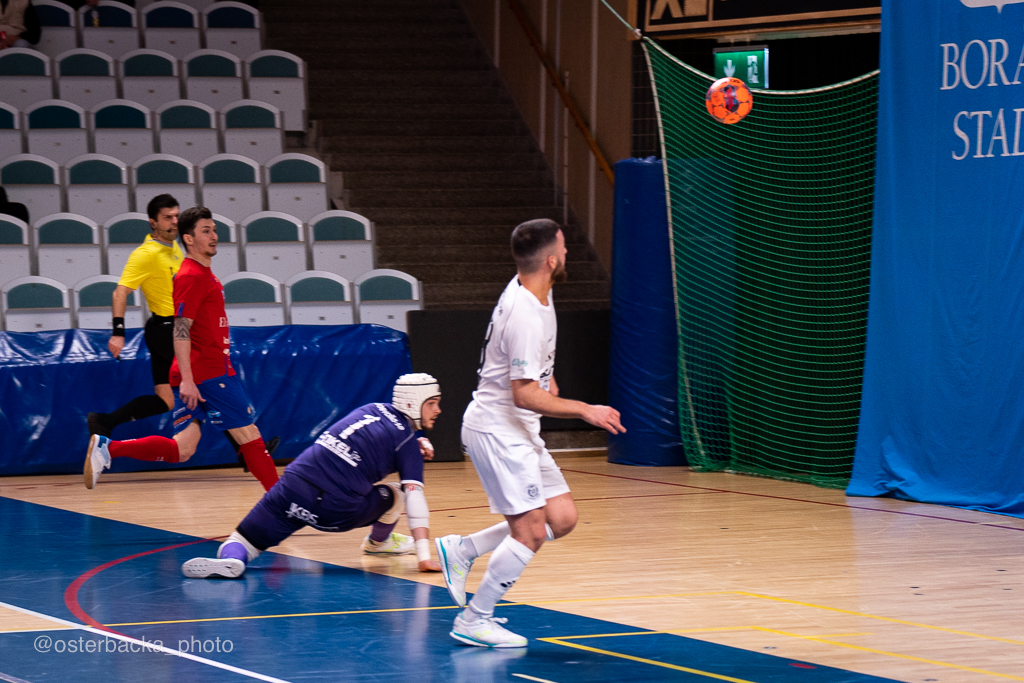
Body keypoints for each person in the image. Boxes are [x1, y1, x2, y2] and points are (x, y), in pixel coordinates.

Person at [434, 218, 625, 648]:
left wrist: (546, 374)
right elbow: (523, 394)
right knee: (531, 531)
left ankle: (463, 549)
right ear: (552, 260)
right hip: (498, 430)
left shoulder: (535, 287)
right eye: (564, 248)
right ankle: (474, 619)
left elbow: (524, 364)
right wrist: (585, 409)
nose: (568, 253)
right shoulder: (525, 314)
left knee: (562, 518)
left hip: (517, 429)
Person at [84, 207, 279, 491]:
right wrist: (188, 379)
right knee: (249, 436)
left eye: (214, 230)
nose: (214, 236)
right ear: (188, 239)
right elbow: (181, 328)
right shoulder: (191, 275)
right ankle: (283, 505)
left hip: (200, 370)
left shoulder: (203, 273)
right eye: (205, 231)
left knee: (183, 448)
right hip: (208, 372)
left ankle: (108, 448)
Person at [180, 374, 445, 579]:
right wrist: (424, 556)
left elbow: (372, 444)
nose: (438, 410)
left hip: (292, 487)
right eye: (432, 403)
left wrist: (411, 447)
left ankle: (232, 560)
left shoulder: (370, 409)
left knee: (243, 540)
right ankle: (378, 543)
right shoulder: (406, 442)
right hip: (334, 509)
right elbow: (415, 499)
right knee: (398, 493)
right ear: (413, 403)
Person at [87, 194, 183, 442]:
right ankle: (246, 446)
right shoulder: (145, 254)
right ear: (153, 223)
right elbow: (119, 293)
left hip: (166, 328)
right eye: (168, 217)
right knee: (206, 382)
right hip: (167, 330)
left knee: (166, 400)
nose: (174, 222)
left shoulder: (174, 247)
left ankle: (105, 421)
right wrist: (118, 333)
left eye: (176, 216)